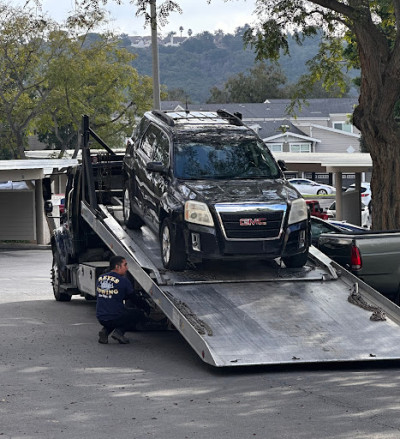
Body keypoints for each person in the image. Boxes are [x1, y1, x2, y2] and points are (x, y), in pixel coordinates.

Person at [96, 255, 150, 344]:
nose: (127, 268)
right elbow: (134, 299)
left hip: (100, 317)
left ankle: (105, 331)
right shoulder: (123, 281)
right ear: (117, 267)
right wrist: (146, 307)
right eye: (125, 265)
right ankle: (119, 332)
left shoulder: (101, 278)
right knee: (137, 314)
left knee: (115, 313)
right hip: (114, 317)